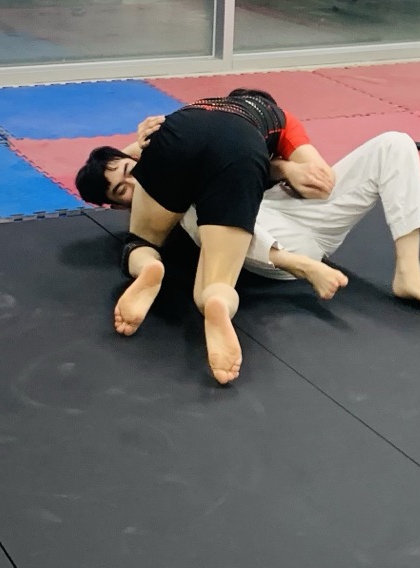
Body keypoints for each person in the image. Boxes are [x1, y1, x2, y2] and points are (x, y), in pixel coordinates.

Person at [73, 89, 336, 385]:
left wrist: (139, 142)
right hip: (243, 149)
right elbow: (324, 179)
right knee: (216, 283)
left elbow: (135, 153)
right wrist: (286, 167)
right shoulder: (277, 120)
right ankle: (217, 300)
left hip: (179, 131)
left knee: (139, 242)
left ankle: (149, 267)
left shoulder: (202, 107)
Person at [88, 123, 420, 317]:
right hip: (277, 249)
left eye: (129, 172)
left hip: (298, 209)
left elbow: (214, 143)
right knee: (198, 207)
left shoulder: (186, 145)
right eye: (122, 191)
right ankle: (300, 264)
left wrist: (291, 171)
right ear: (118, 207)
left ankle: (409, 272)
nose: (133, 184)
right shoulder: (149, 223)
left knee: (394, 143)